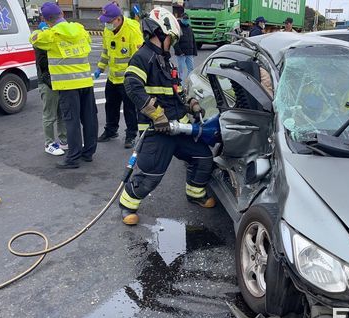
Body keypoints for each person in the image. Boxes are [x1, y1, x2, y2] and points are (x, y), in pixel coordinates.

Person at [119, 7, 215, 226]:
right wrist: (157, 115)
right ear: (159, 33)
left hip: (178, 129)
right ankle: (127, 204)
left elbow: (176, 89)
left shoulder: (165, 60)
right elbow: (132, 87)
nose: (171, 43)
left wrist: (191, 104)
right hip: (157, 130)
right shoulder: (142, 57)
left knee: (203, 158)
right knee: (151, 176)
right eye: (170, 38)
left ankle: (195, 192)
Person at [31, 2, 98, 169]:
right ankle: (88, 153)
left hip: (67, 86)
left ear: (46, 20)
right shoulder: (80, 29)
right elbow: (88, 42)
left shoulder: (51, 35)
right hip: (85, 81)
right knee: (89, 118)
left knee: (71, 121)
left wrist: (43, 29)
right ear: (62, 13)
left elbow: (33, 39)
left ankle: (73, 158)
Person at [95, 2, 144, 148]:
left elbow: (138, 57)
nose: (107, 24)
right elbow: (106, 51)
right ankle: (111, 130)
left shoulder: (132, 30)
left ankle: (131, 135)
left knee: (129, 109)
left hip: (128, 79)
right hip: (112, 77)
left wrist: (134, 78)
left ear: (118, 18)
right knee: (110, 105)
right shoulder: (108, 30)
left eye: (109, 21)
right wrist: (100, 68)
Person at [33, 21, 68, 156]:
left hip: (58, 82)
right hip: (47, 83)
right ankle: (49, 144)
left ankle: (64, 141)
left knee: (62, 114)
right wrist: (50, 82)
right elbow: (43, 67)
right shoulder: (41, 46)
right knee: (49, 115)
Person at [173, 13, 198, 81]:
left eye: (187, 19)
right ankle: (181, 85)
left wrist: (194, 52)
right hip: (181, 54)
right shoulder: (178, 28)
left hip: (189, 53)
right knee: (181, 71)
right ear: (181, 19)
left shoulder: (189, 28)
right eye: (184, 19)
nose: (186, 20)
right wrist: (179, 52)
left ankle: (186, 82)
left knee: (191, 69)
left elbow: (193, 40)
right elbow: (175, 42)